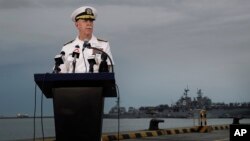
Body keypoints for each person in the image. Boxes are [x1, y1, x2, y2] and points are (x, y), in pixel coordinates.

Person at [58, 6, 114, 73]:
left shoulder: (103, 45)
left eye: (91, 21)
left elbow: (108, 73)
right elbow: (60, 72)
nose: (89, 24)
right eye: (85, 21)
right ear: (77, 25)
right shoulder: (67, 48)